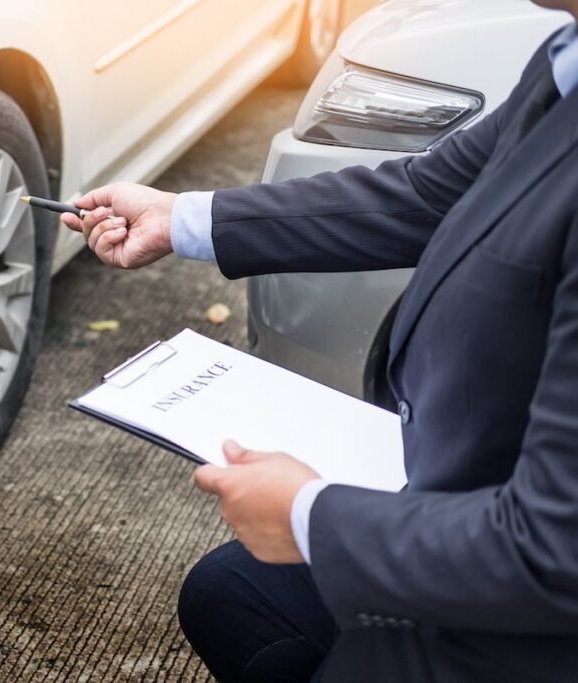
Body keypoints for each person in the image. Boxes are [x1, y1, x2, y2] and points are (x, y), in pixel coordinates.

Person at [62, 1, 578, 680]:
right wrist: (181, 216)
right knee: (228, 590)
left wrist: (310, 514)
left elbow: (552, 551)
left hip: (517, 618)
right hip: (464, 507)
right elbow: (427, 193)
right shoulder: (563, 61)